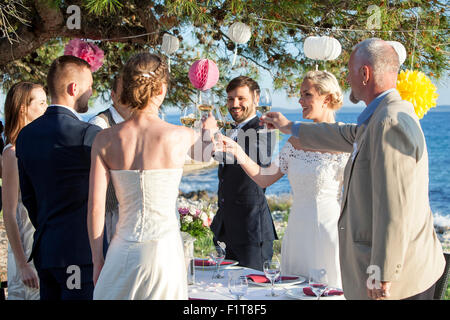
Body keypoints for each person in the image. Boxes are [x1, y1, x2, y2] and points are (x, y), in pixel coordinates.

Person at [261, 38, 445, 300]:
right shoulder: (381, 115)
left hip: (401, 279)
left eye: (349, 71)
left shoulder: (388, 122)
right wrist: (290, 127)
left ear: (365, 74)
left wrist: (382, 273)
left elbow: (394, 205)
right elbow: (345, 134)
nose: (347, 79)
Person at [87, 52, 217, 300]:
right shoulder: (181, 135)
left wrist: (97, 260)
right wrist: (208, 130)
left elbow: (95, 207)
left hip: (121, 250)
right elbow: (206, 154)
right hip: (164, 253)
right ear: (161, 89)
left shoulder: (104, 139)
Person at [219, 71, 349, 288]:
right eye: (300, 95)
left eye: (307, 94)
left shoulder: (344, 139)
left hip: (330, 233)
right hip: (296, 232)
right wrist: (237, 151)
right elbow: (264, 178)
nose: (300, 100)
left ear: (327, 98)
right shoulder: (294, 142)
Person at [15, 55, 102, 300]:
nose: (91, 91)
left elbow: (29, 197)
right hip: (78, 255)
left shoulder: (26, 135)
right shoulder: (89, 134)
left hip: (46, 250)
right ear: (74, 88)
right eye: (89, 85)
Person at [210, 76, 277, 271]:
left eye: (241, 98)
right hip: (224, 228)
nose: (234, 104)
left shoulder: (265, 128)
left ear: (256, 98)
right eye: (230, 99)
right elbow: (222, 160)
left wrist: (224, 148)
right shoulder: (231, 129)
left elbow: (258, 160)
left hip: (251, 231)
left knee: (254, 292)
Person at [2, 82, 47, 299]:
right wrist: (22, 264)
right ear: (23, 109)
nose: (46, 108)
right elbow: (9, 212)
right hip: (25, 249)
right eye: (41, 103)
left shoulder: (41, 147)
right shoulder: (12, 153)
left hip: (44, 245)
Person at [88, 74, 131, 244]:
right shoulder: (99, 124)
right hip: (110, 217)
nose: (129, 95)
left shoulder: (138, 123)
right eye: (124, 91)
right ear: (113, 95)